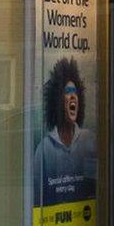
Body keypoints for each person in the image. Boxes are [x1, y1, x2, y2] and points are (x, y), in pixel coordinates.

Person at [33, 57, 97, 206]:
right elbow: (38, 197)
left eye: (75, 91)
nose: (73, 96)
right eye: (68, 92)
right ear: (57, 101)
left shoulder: (90, 140)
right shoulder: (44, 150)